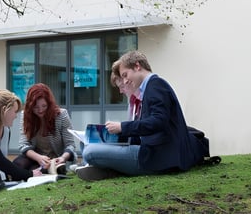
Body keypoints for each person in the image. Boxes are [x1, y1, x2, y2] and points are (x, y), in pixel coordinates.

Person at [76, 51, 207, 181]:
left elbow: (158, 121)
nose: (126, 81)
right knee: (87, 144)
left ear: (137, 66)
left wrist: (122, 127)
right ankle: (108, 168)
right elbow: (151, 126)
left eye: (125, 75)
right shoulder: (151, 87)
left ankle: (110, 170)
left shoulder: (156, 85)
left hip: (157, 158)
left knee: (90, 152)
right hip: (154, 154)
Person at [13, 83, 77, 173]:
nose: (40, 110)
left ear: (49, 104)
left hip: (57, 158)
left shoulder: (62, 115)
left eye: (44, 106)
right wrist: (39, 158)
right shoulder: (25, 116)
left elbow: (70, 144)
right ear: (30, 106)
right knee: (18, 164)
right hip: (36, 157)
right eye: (36, 107)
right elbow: (23, 145)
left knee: (41, 170)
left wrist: (62, 157)